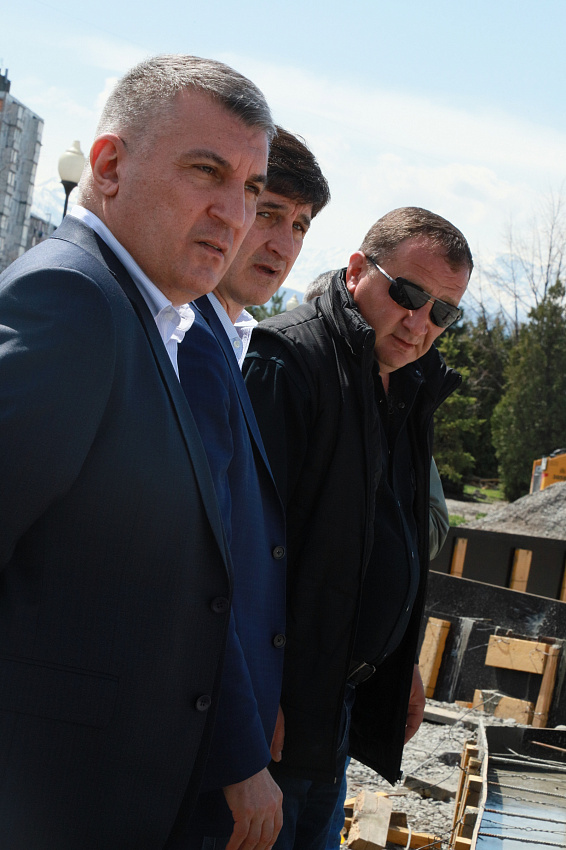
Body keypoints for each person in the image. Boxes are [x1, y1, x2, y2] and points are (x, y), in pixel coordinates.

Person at [0, 54, 277, 850]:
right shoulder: (73, 301)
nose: (234, 213)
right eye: (206, 172)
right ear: (110, 166)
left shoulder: (153, 319)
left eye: (252, 188)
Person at [243, 207, 473, 849]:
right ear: (355, 272)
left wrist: (397, 659)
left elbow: (384, 537)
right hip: (273, 715)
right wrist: (247, 704)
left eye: (443, 313)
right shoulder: (287, 363)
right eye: (408, 295)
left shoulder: (405, 384)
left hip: (334, 705)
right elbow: (235, 552)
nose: (420, 324)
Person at [171, 128, 329, 849]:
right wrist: (238, 751)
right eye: (268, 212)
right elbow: (198, 572)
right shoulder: (193, 344)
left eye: (300, 225)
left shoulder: (229, 338)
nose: (282, 243)